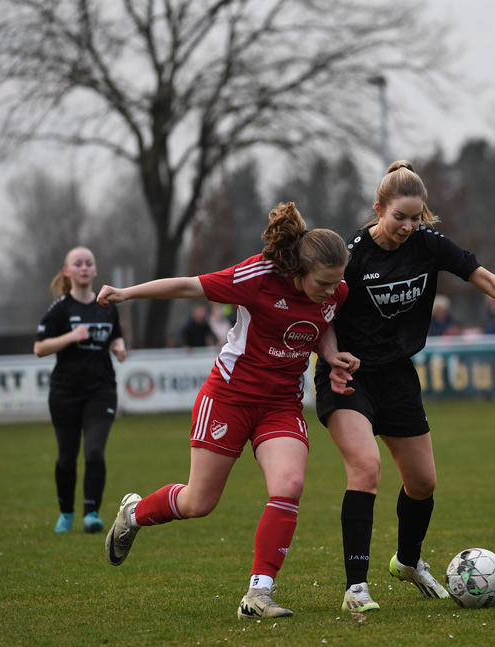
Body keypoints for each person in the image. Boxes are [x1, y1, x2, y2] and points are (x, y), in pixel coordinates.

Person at [98, 202, 359, 619]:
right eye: (324, 282)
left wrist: (331, 353)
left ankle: (258, 594)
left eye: (337, 283)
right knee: (199, 502)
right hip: (229, 397)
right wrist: (126, 294)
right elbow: (187, 286)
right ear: (299, 271)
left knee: (289, 484)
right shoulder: (257, 277)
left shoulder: (334, 291)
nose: (333, 290)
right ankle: (133, 514)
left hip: (281, 404)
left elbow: (322, 319)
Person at [314, 160, 495, 615]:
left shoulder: (428, 244)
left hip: (397, 374)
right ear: (378, 208)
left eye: (416, 217)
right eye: (399, 216)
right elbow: (321, 310)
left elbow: (478, 274)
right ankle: (356, 588)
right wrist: (329, 357)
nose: (407, 226)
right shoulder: (354, 255)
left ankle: (406, 561)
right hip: (348, 375)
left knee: (423, 484)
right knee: (365, 469)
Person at [34, 246, 128, 534]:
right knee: (67, 456)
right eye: (78, 263)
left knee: (95, 451)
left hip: (101, 390)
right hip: (65, 392)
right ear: (68, 272)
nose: (85, 267)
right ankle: (66, 514)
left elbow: (116, 335)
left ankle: (91, 514)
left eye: (89, 263)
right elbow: (39, 348)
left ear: (96, 270)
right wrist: (71, 336)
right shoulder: (60, 308)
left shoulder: (107, 306)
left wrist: (119, 345)